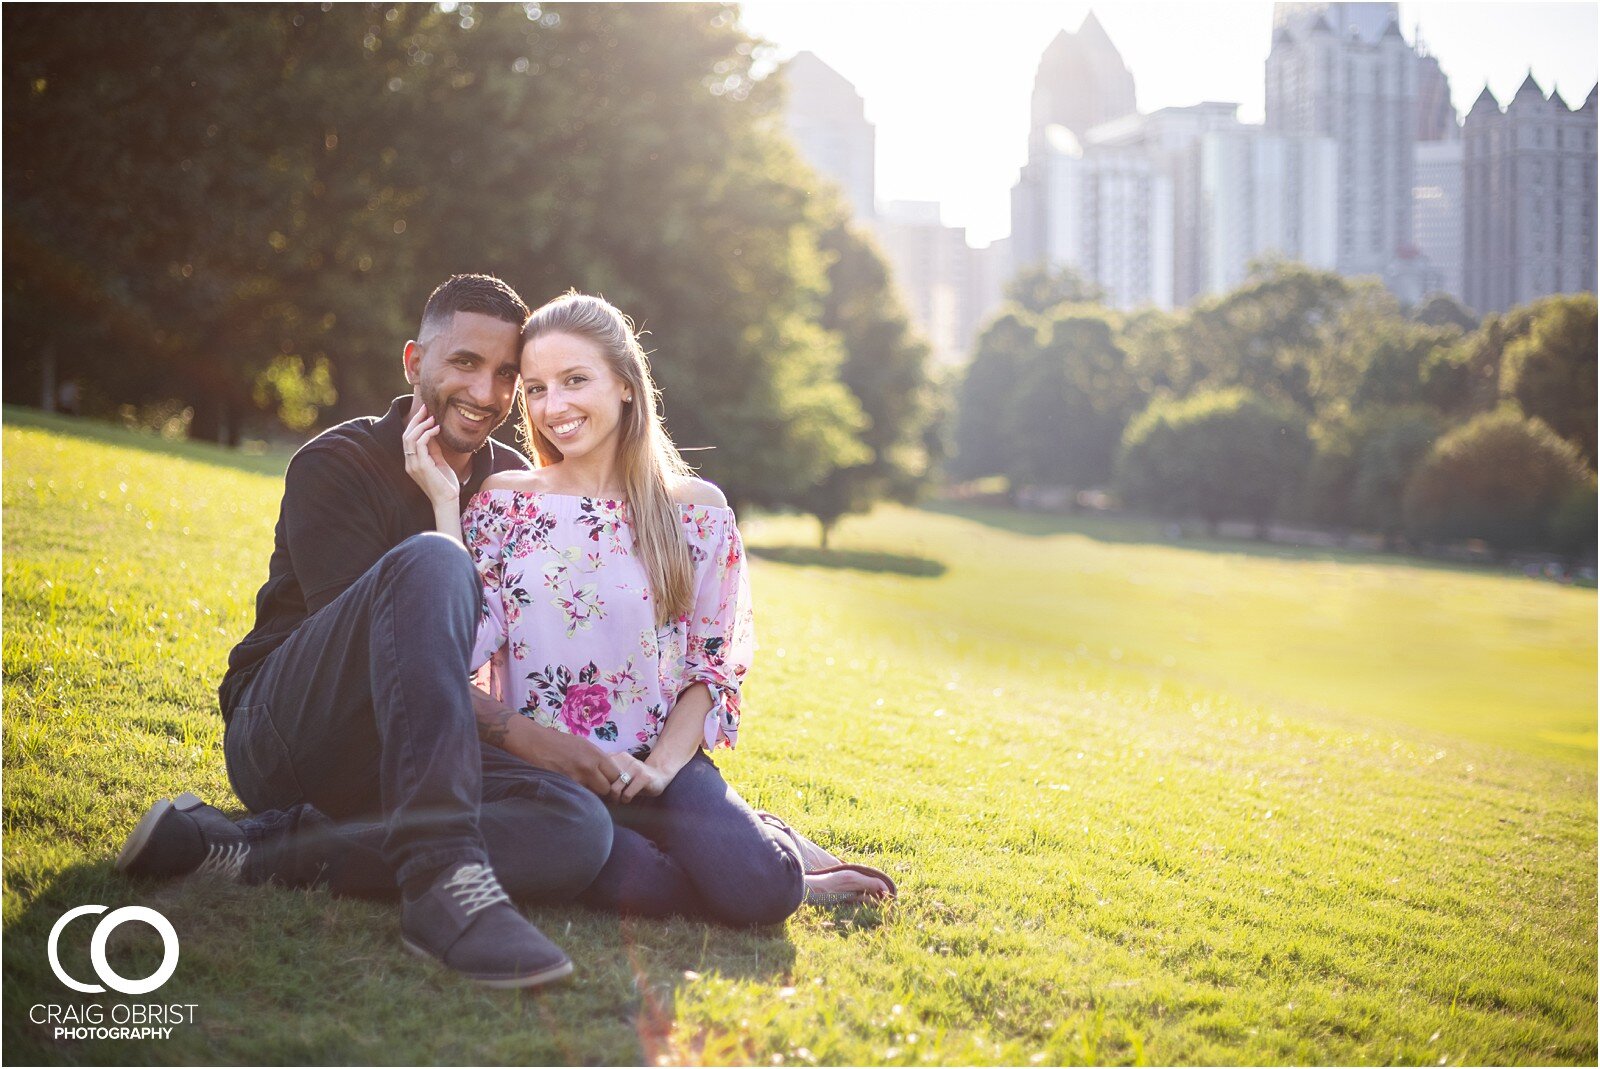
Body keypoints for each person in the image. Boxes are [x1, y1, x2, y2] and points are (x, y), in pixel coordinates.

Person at [116, 275, 619, 989]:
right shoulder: (335, 464)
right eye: (465, 363)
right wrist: (519, 733)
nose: (486, 391)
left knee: (578, 828)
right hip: (294, 732)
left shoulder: (514, 485)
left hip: (428, 749)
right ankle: (443, 881)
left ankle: (262, 852)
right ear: (414, 362)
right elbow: (379, 662)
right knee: (432, 563)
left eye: (508, 373)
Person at [402, 291, 893, 923]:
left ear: (626, 386)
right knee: (648, 891)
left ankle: (761, 844)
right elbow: (459, 648)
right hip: (551, 774)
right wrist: (447, 508)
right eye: (537, 389)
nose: (555, 407)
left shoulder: (696, 511)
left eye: (575, 380)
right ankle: (714, 846)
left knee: (762, 891)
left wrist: (660, 768)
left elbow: (710, 665)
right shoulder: (504, 503)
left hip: (662, 760)